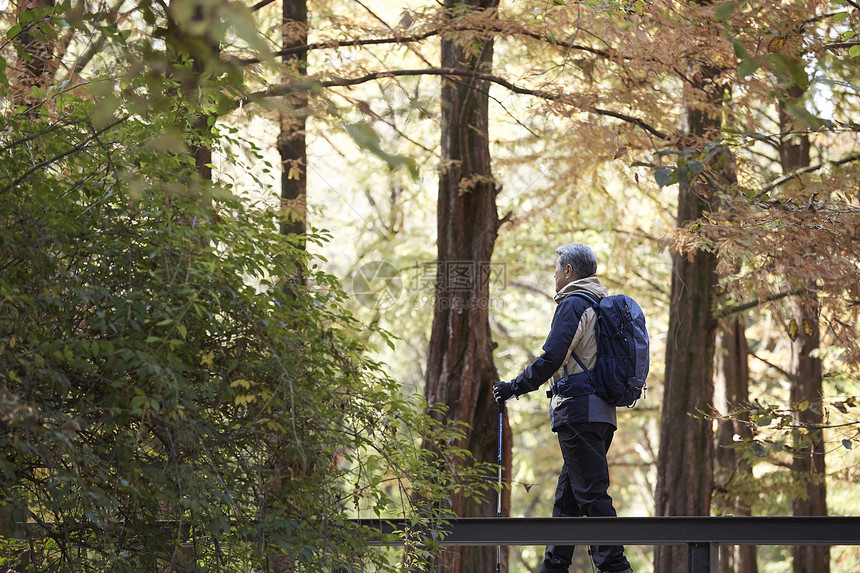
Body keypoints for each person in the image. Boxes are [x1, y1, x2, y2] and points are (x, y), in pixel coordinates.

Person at [493, 242, 632, 573]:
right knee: (568, 500)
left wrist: (515, 387)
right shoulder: (600, 304)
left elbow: (553, 356)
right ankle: (553, 567)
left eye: (556, 268)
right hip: (600, 413)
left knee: (592, 495)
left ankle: (616, 569)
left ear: (568, 271)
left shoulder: (574, 303)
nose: (553, 274)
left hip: (578, 412)